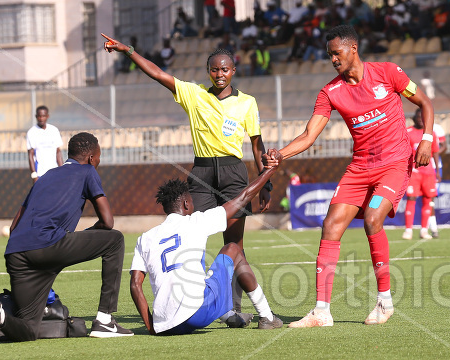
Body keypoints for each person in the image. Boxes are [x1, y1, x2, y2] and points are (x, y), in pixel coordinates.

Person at [263, 25, 434, 327]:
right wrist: (280, 154)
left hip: (395, 162)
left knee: (372, 219)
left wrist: (426, 139)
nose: (332, 59)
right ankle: (321, 312)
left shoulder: (388, 72)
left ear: (353, 48)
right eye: (329, 55)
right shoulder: (330, 92)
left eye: (336, 53)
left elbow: (425, 103)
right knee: (330, 225)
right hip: (359, 167)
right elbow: (308, 135)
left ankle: (385, 303)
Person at [103, 36, 273, 317]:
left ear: (234, 70)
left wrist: (266, 183)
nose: (220, 74)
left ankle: (232, 308)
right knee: (190, 235)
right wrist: (129, 51)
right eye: (215, 69)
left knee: (233, 245)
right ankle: (189, 299)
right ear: (209, 71)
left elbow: (257, 144)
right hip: (202, 173)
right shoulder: (194, 95)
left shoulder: (247, 103)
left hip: (234, 173)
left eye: (225, 69)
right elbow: (158, 74)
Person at [0, 132, 133, 347]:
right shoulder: (87, 171)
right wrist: (87, 234)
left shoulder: (45, 176)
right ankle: (105, 320)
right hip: (48, 245)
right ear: (92, 158)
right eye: (99, 158)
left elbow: (14, 226)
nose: (99, 162)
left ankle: (0, 316)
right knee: (114, 240)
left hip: (16, 254)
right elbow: (108, 222)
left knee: (28, 329)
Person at [130, 166, 284, 335]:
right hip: (198, 313)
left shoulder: (145, 238)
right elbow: (243, 198)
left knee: (198, 271)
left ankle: (228, 315)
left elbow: (135, 285)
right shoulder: (196, 221)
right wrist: (269, 172)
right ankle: (267, 317)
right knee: (232, 248)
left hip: (165, 324)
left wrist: (151, 327)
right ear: (186, 203)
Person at [402, 109, 440, 240]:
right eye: (418, 117)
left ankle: (424, 230)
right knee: (411, 198)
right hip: (414, 172)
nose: (420, 120)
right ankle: (408, 230)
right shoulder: (407, 132)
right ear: (414, 118)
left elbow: (435, 152)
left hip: (429, 172)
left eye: (422, 118)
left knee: (428, 200)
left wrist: (438, 171)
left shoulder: (431, 134)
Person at [27, 105, 63, 182]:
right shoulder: (32, 132)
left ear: (47, 116)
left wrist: (62, 170)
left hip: (55, 172)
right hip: (40, 173)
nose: (41, 118)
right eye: (39, 116)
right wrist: (34, 175)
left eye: (43, 116)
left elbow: (58, 152)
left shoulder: (54, 130)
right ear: (36, 116)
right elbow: (30, 154)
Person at [428, 120, 447, 238]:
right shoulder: (412, 129)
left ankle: (433, 228)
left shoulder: (437, 128)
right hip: (418, 167)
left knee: (430, 197)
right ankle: (412, 230)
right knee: (413, 198)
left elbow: (444, 146)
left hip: (434, 167)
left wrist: (432, 153)